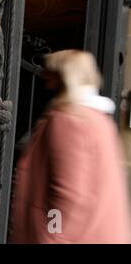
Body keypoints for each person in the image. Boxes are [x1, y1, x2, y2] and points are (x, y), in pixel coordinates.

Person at [9, 50, 131, 244]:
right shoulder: (100, 121)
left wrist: (52, 236)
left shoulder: (68, 120)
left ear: (63, 79)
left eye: (50, 75)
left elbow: (69, 197)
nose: (45, 81)